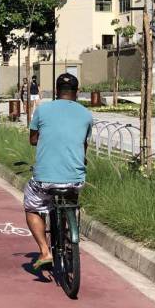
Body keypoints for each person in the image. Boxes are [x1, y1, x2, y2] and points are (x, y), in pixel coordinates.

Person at [24, 73, 92, 270]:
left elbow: (33, 140)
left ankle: (45, 251)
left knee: (32, 206)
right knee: (69, 200)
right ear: (77, 92)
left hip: (45, 179)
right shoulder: (86, 115)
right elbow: (83, 145)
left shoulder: (43, 110)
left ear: (56, 91)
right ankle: (66, 233)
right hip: (75, 179)